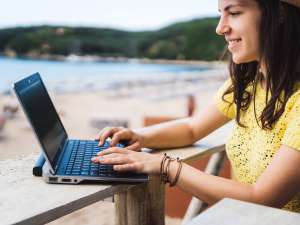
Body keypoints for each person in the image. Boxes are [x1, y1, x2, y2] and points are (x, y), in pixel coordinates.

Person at [92, 0, 300, 213]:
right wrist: (140, 136)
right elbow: (192, 128)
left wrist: (165, 166)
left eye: (235, 13)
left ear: (280, 14)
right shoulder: (248, 84)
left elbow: (262, 199)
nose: (220, 28)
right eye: (220, 14)